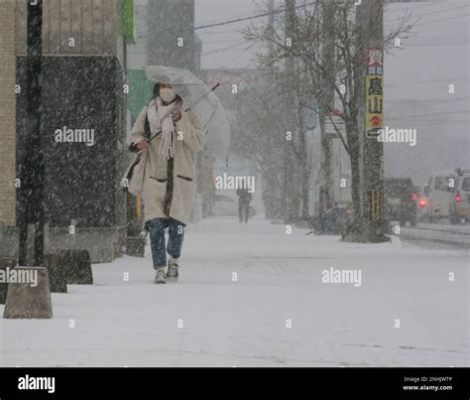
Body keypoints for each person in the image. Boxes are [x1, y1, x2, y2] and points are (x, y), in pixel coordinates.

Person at [128, 77, 204, 284]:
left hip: (181, 179)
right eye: (162, 86)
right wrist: (138, 143)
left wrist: (180, 121)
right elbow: (134, 135)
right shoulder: (148, 112)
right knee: (154, 225)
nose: (166, 90)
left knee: (177, 226)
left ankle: (174, 261)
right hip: (155, 176)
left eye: (169, 86)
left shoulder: (190, 115)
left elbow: (197, 144)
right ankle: (159, 268)